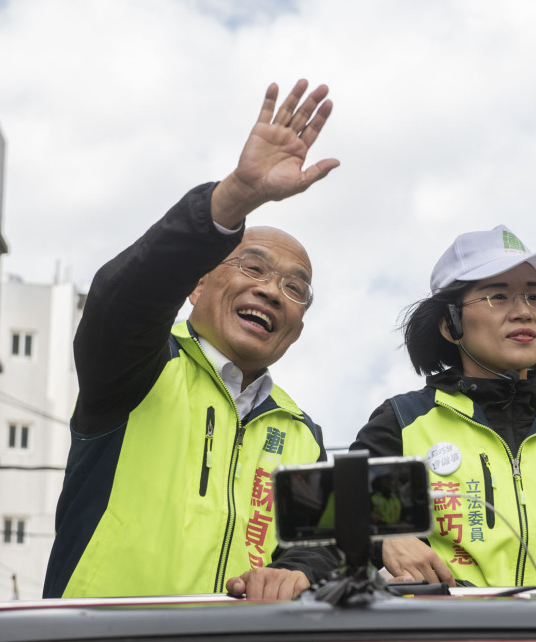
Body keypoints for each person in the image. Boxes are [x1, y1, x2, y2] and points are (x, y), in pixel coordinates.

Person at [44, 80, 340, 601]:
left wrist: (297, 571)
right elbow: (124, 297)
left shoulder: (303, 435)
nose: (271, 291)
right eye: (253, 266)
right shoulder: (139, 366)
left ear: (297, 328)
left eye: (295, 288)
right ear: (197, 284)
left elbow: (318, 546)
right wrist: (235, 199)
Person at [351, 225, 536, 588]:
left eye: (535, 297)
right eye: (498, 296)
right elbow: (339, 517)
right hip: (446, 638)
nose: (523, 312)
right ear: (449, 322)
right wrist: (385, 537)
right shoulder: (404, 423)